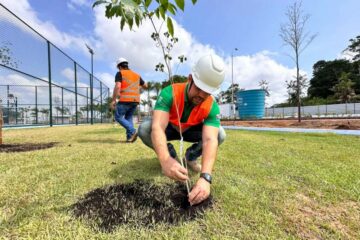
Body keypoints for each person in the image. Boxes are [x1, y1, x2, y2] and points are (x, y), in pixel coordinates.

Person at [138, 54, 226, 205]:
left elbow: (210, 139)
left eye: (207, 92)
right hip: (170, 128)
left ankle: (190, 157)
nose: (201, 95)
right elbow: (158, 127)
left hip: (191, 130)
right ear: (190, 79)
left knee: (220, 134)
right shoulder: (169, 92)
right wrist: (166, 160)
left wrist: (205, 178)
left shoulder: (212, 105)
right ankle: (172, 159)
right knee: (145, 128)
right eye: (199, 89)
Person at [111, 57, 147, 142]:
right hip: (135, 100)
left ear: (119, 67)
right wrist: (136, 89)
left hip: (125, 100)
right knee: (128, 118)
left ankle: (133, 131)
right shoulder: (136, 75)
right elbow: (145, 86)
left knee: (118, 117)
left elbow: (118, 86)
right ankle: (129, 137)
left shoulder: (120, 73)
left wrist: (113, 100)